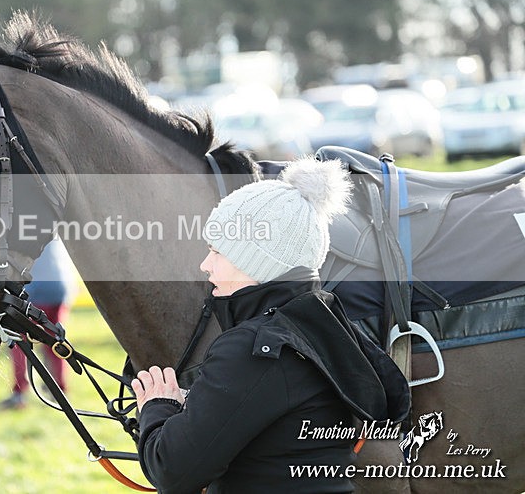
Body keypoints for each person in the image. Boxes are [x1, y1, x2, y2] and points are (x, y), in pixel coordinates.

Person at [132, 157, 410, 493]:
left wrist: (158, 406)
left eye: (217, 251)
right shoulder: (323, 329)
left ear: (256, 260)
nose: (205, 265)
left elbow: (172, 471)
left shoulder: (251, 350)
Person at [0, 238, 76, 410]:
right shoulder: (51, 231)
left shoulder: (16, 233)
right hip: (60, 287)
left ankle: (20, 393)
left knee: (19, 342)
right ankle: (60, 390)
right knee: (56, 341)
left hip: (34, 290)